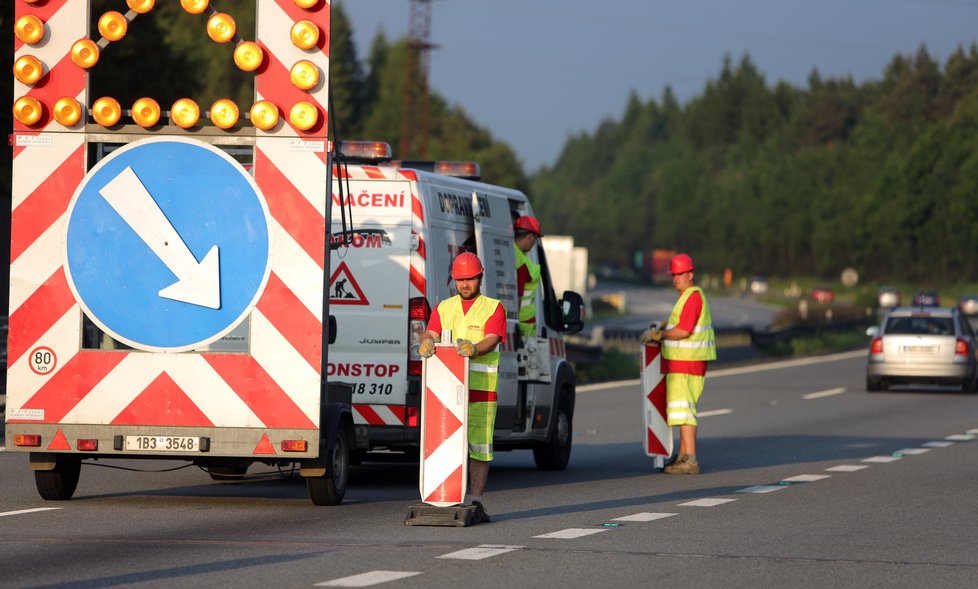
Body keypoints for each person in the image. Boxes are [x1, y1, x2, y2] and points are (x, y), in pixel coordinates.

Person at [418, 251, 506, 521]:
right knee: (445, 441)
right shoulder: (444, 307)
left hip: (481, 388)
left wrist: (474, 348)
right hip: (447, 391)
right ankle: (444, 495)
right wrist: (426, 340)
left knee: (479, 446)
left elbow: (492, 338)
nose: (465, 284)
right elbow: (432, 331)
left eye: (470, 279)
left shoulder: (493, 307)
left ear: (480, 277)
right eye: (460, 280)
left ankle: (476, 500)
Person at [643, 253, 716, 475]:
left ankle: (690, 460)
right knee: (680, 411)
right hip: (681, 364)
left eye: (680, 274)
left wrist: (660, 335)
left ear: (690, 274)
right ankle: (683, 456)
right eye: (673, 275)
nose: (676, 278)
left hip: (687, 364)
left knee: (685, 413)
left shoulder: (693, 297)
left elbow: (684, 330)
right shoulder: (686, 296)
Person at [513, 215, 543, 338]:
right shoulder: (521, 261)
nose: (534, 243)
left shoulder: (515, 253)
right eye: (535, 240)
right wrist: (514, 325)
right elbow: (518, 295)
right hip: (523, 325)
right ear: (530, 236)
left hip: (521, 323)